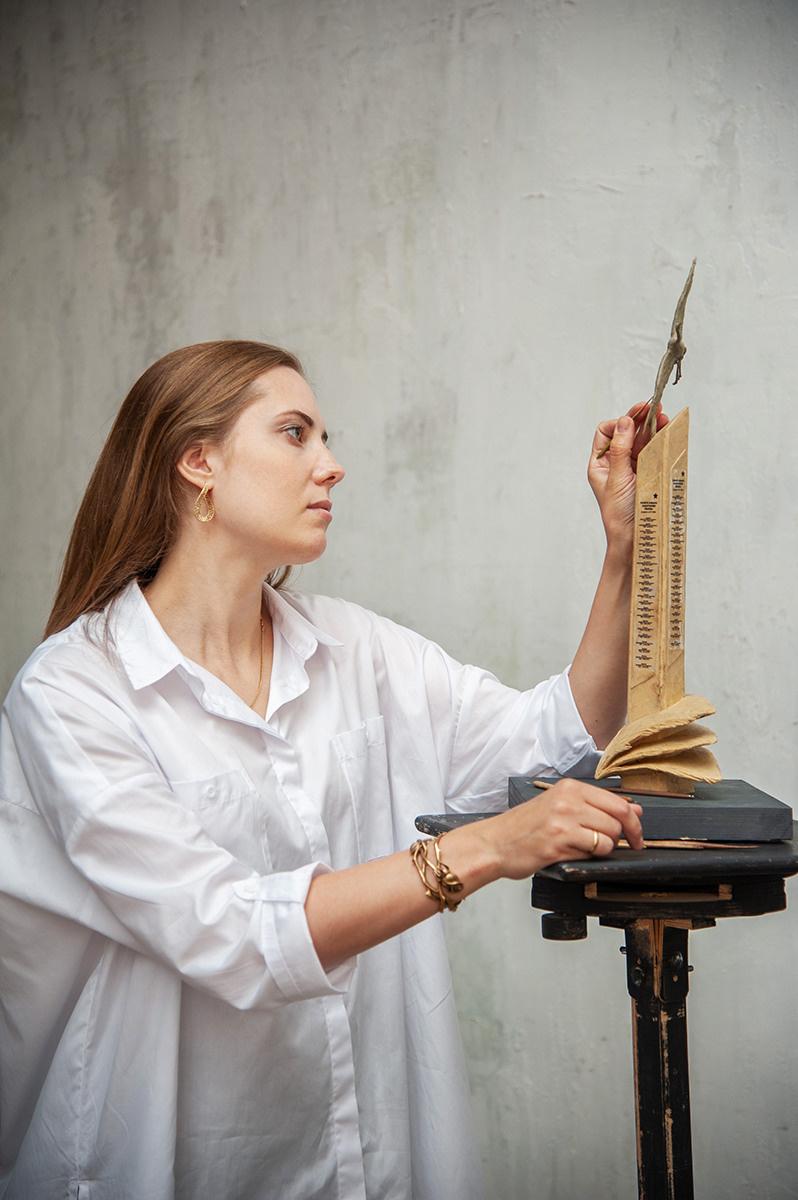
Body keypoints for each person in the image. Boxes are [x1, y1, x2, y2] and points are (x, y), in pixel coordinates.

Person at [0, 340, 657, 1200]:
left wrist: (622, 553)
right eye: (295, 434)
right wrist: (486, 848)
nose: (333, 465)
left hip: (363, 1164)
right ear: (198, 463)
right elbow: (229, 930)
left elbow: (555, 735)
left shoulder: (355, 648)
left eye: (325, 437)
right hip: (172, 1164)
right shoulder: (73, 691)